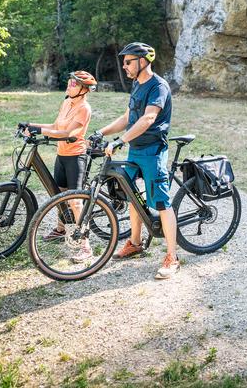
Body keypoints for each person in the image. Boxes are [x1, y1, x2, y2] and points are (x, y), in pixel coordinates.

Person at [99, 42, 179, 280]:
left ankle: (172, 257)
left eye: (128, 62)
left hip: (153, 151)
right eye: (124, 62)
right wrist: (101, 132)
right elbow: (128, 117)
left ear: (142, 61)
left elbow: (148, 119)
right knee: (132, 195)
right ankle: (135, 243)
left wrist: (120, 141)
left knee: (162, 203)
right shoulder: (137, 84)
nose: (124, 66)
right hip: (136, 150)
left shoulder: (158, 87)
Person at [23, 70, 97, 261]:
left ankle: (85, 247)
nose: (69, 85)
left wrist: (38, 130)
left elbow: (67, 133)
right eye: (70, 82)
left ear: (83, 89)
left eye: (74, 84)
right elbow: (56, 127)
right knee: (58, 195)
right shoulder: (66, 102)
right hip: (61, 155)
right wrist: (31, 125)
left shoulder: (84, 108)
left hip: (75, 157)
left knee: (75, 202)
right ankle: (61, 229)